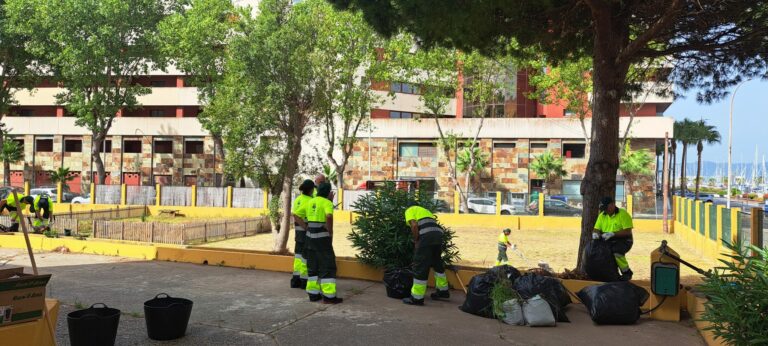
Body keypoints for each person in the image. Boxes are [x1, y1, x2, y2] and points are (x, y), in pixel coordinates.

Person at [402, 203, 450, 306]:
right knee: (437, 262)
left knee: (420, 266)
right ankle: (443, 291)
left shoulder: (409, 210)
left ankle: (417, 298)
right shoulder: (425, 211)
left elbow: (414, 225)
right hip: (438, 235)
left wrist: (416, 241)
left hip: (426, 236)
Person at [304, 182, 342, 304]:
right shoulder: (327, 203)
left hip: (309, 238)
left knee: (312, 266)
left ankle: (313, 294)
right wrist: (329, 230)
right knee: (327, 265)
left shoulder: (311, 201)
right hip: (322, 239)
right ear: (328, 192)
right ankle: (329, 297)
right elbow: (329, 216)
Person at [592, 196, 634, 281]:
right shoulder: (602, 215)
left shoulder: (623, 214)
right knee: (599, 252)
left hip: (624, 240)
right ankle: (610, 274)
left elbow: (627, 231)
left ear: (612, 205)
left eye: (606, 208)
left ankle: (626, 272)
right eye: (603, 209)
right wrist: (595, 234)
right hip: (607, 239)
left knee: (616, 252)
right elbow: (596, 229)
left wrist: (612, 234)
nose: (605, 211)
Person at [291, 180, 314, 289]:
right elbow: (296, 215)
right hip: (304, 229)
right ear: (311, 190)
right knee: (305, 255)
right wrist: (306, 228)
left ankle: (296, 279)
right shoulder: (310, 200)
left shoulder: (298, 199)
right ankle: (304, 280)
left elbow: (294, 214)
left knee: (298, 255)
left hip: (297, 230)